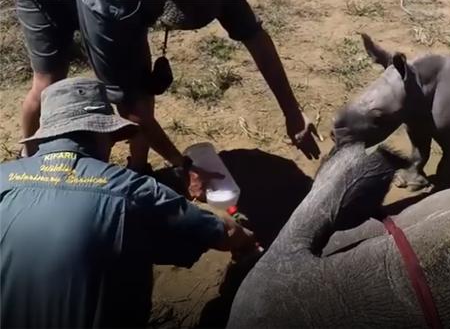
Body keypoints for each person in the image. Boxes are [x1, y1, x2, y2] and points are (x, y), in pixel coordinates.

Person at [0, 77, 260, 328]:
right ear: (102, 132)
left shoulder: (3, 179)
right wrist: (245, 241)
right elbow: (223, 232)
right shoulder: (130, 188)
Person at [16, 0, 320, 178]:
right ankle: (27, 164)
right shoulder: (113, 7)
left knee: (142, 85)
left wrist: (292, 112)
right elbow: (129, 111)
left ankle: (138, 168)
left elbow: (255, 37)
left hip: (131, 9)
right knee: (47, 81)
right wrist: (182, 165)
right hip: (48, 3)